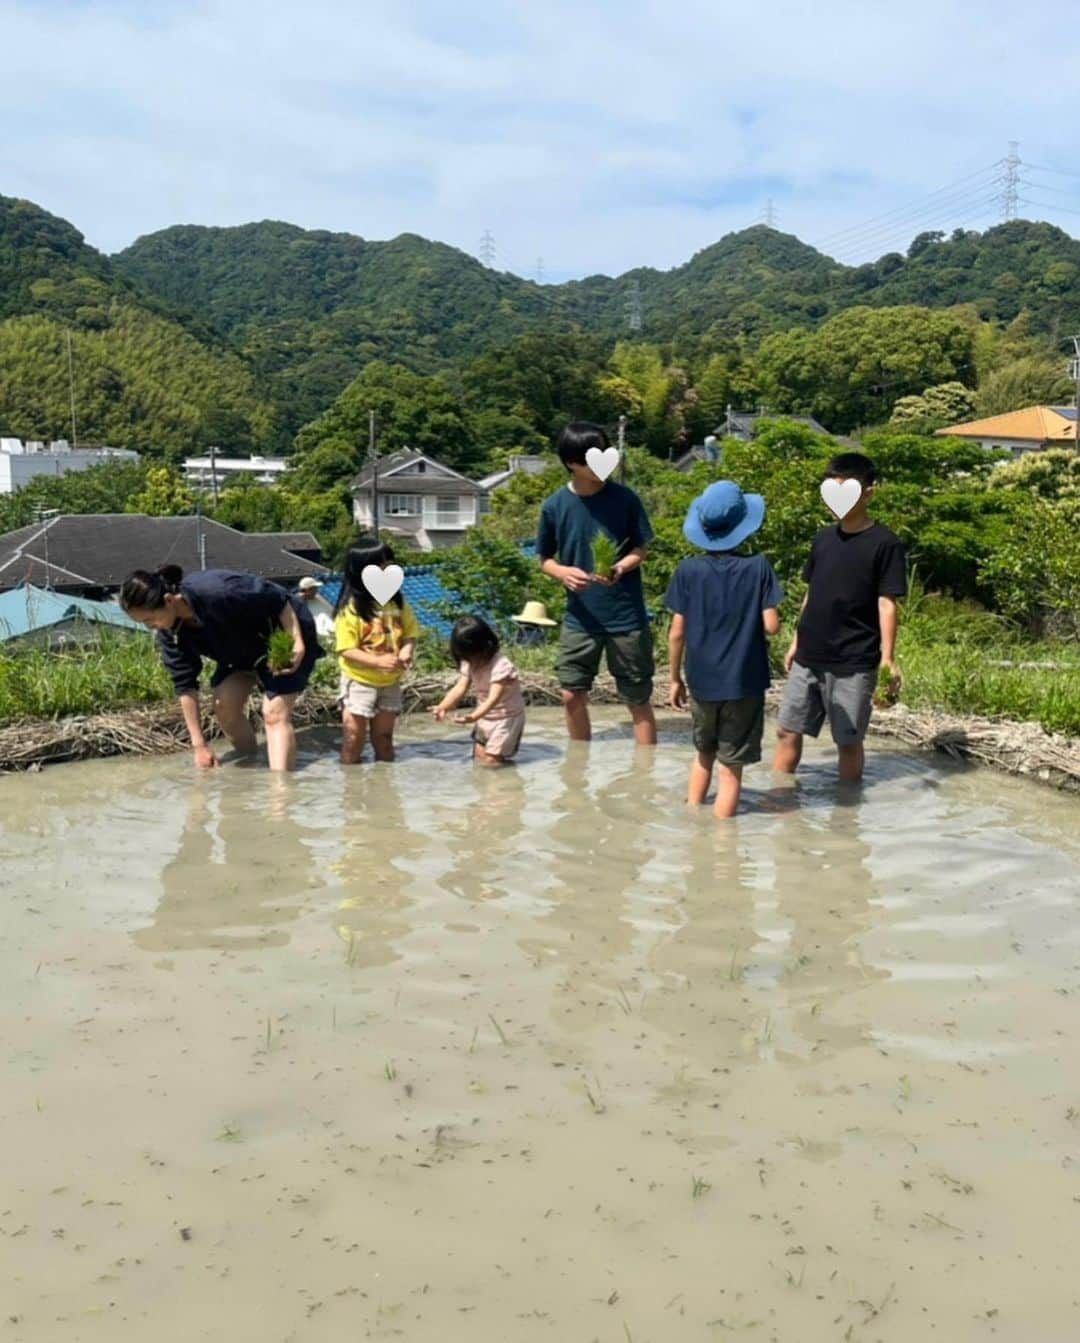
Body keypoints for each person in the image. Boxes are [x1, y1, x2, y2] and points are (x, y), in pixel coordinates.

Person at [773, 451, 907, 784]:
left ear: (869, 493)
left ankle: (845, 816)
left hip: (855, 658)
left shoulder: (885, 543)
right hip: (809, 655)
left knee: (847, 741)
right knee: (787, 729)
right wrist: (795, 640)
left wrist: (888, 659)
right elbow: (811, 594)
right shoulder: (823, 539)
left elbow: (886, 603)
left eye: (845, 487)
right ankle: (780, 802)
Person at [120, 565, 322, 772]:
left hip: (283, 635)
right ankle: (252, 762)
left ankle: (281, 795)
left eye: (149, 620)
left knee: (274, 713)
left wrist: (296, 641)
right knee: (223, 706)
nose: (149, 627)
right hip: (238, 653)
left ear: (170, 600)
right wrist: (199, 747)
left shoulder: (218, 590)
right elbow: (185, 685)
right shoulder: (171, 632)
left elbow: (278, 600)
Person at [666, 481, 783, 819]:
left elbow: (676, 633)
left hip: (702, 681)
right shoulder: (758, 567)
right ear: (744, 526)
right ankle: (721, 842)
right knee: (731, 766)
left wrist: (675, 679)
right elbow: (771, 625)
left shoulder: (687, 571)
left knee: (703, 753)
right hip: (744, 683)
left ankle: (693, 820)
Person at [536, 422, 657, 745]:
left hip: (626, 616)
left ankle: (644, 776)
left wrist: (620, 567)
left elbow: (641, 548)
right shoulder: (554, 506)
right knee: (570, 693)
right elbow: (544, 559)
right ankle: (579, 766)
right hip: (581, 617)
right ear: (572, 463)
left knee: (637, 698)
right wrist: (562, 573)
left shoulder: (625, 499)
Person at [334, 537, 418, 765]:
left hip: (390, 682)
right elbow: (346, 650)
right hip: (359, 681)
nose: (386, 570)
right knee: (354, 740)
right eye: (380, 566)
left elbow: (410, 634)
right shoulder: (351, 610)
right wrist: (378, 662)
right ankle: (351, 790)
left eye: (389, 564)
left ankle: (385, 790)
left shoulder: (398, 604)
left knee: (384, 739)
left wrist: (406, 651)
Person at [429, 615, 526, 767]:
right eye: (466, 656)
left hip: (506, 719)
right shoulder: (469, 662)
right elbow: (460, 688)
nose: (472, 661)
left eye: (473, 655)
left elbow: (493, 699)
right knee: (479, 758)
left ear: (486, 646)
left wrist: (473, 717)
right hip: (484, 717)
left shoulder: (501, 666)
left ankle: (504, 788)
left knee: (492, 761)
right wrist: (443, 706)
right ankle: (487, 788)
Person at [296, 576, 335, 640]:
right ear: (308, 589)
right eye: (314, 588)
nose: (316, 590)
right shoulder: (297, 603)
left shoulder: (317, 599)